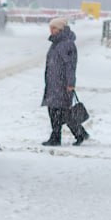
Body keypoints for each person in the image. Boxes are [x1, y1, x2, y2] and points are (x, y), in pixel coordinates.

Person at [42, 16, 88, 146]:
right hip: (53, 83)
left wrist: (70, 83)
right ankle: (78, 134)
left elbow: (70, 65)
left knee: (59, 111)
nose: (51, 30)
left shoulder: (66, 44)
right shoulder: (56, 43)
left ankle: (58, 137)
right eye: (50, 28)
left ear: (60, 29)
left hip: (62, 84)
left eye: (54, 28)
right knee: (57, 111)